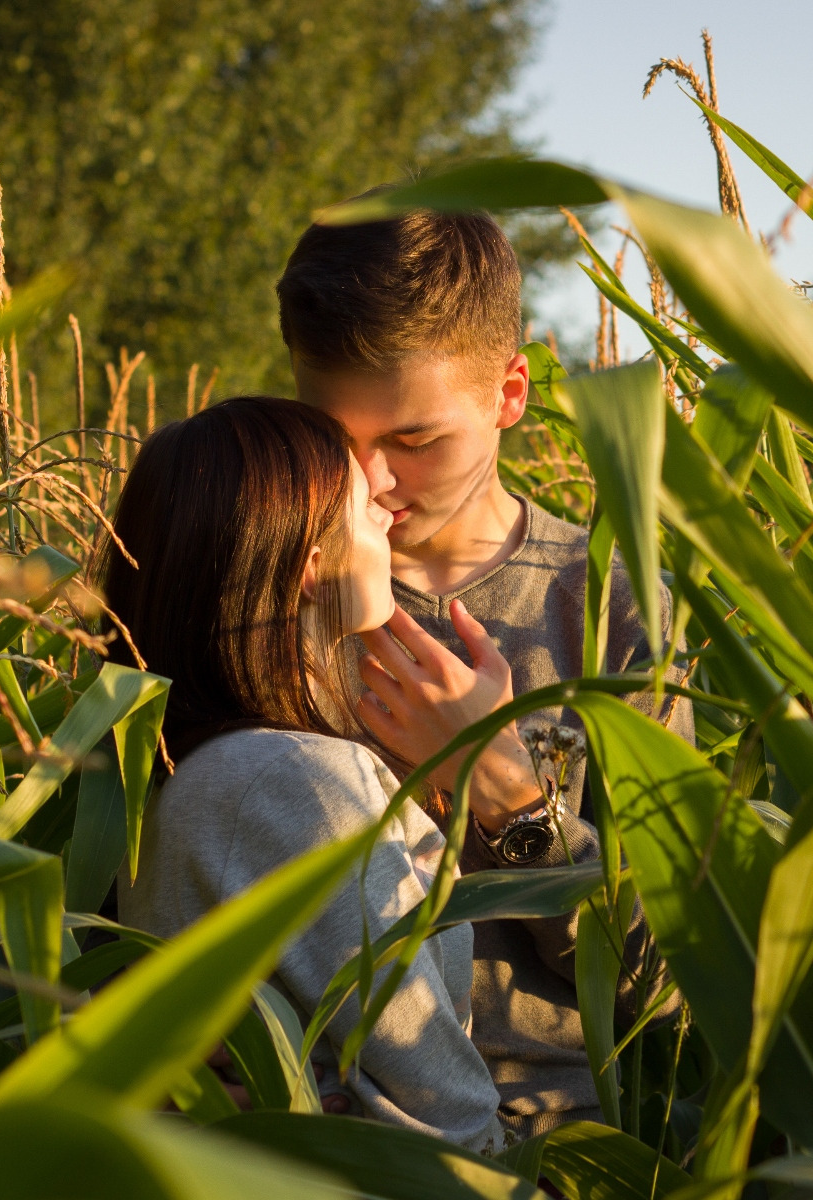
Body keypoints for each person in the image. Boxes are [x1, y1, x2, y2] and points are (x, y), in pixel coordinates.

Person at [277, 206, 691, 1140]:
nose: (372, 481)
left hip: (549, 1141)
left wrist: (505, 793)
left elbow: (667, 986)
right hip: (308, 1132)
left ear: (510, 393)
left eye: (415, 441)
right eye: (333, 437)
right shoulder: (257, 586)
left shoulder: (611, 613)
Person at [107, 395, 505, 1152]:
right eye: (362, 507)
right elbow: (446, 1119)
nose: (388, 513)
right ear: (312, 568)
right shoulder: (290, 779)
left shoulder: (181, 760)